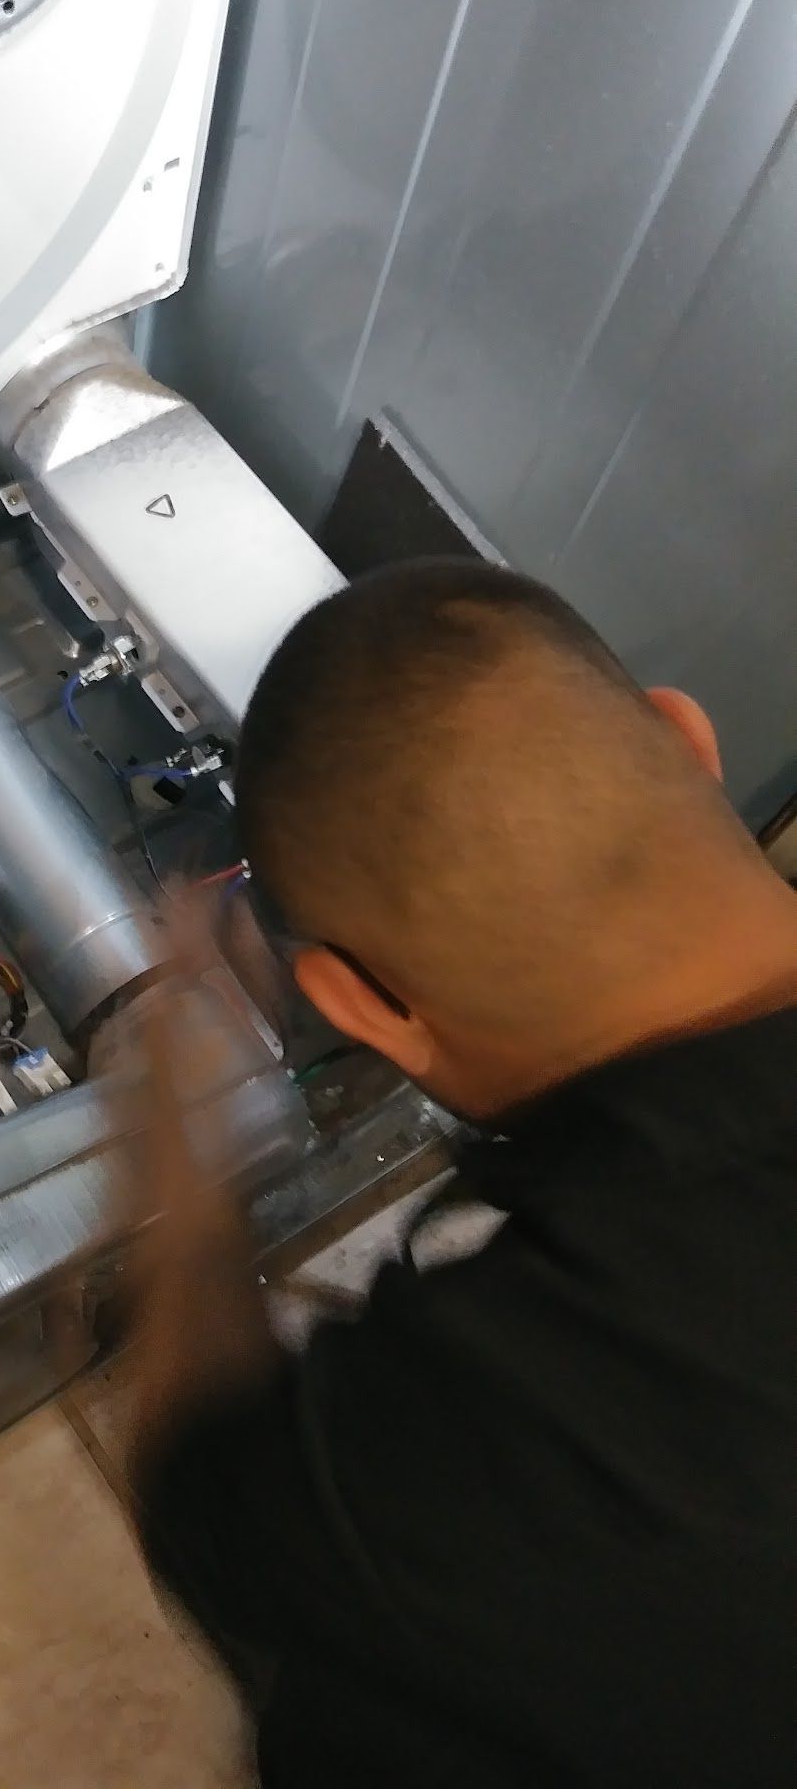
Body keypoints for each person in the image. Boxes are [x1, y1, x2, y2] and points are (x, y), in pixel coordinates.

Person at [126, 559, 797, 1789]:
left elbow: (208, 1484)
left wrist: (177, 1128)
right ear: (684, 735)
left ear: (358, 1002)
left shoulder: (491, 1422)